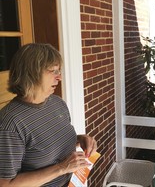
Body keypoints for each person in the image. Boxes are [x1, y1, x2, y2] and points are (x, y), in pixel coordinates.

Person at [0, 43, 97, 187]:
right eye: (53, 71)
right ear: (31, 74)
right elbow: (6, 184)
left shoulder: (57, 103)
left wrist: (79, 140)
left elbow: (42, 144)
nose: (59, 78)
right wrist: (62, 168)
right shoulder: (11, 123)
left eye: (59, 71)